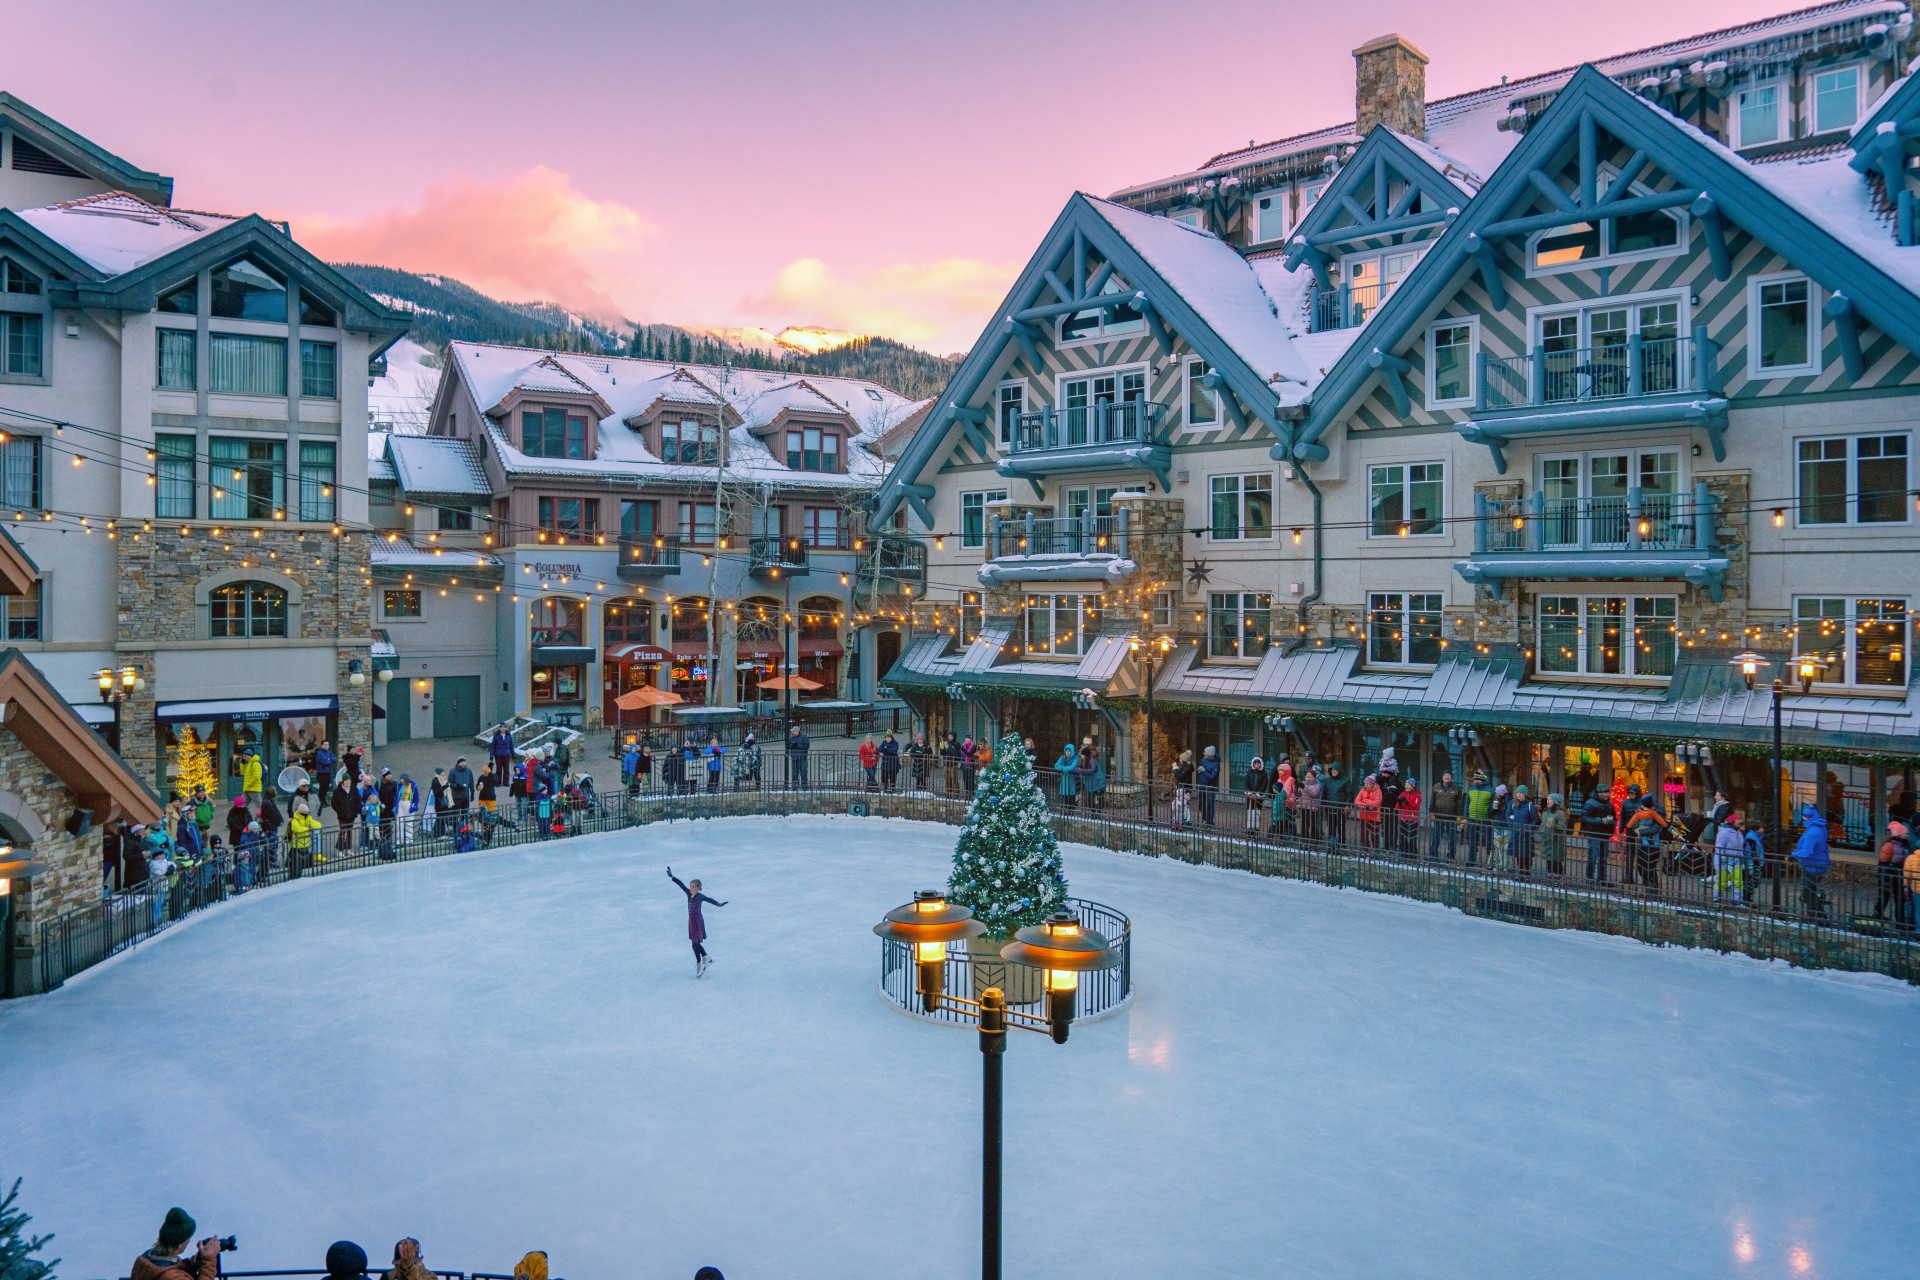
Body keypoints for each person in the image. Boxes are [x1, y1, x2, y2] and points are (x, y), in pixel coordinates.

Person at [130, 1207, 222, 1280]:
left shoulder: (144, 1260)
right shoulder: (172, 1277)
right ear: (179, 1245)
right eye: (188, 1239)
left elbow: (171, 1268)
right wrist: (209, 1261)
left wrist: (197, 1259)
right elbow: (171, 1274)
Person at [668, 865, 728, 976]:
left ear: (698, 888)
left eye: (693, 887)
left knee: (694, 944)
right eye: (690, 886)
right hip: (691, 922)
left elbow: (709, 899)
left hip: (698, 922)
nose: (690, 888)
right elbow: (681, 885)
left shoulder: (700, 896)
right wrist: (672, 876)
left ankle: (700, 962)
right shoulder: (688, 894)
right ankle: (705, 957)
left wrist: (719, 904)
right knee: (695, 943)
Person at [1793, 803, 1830, 917]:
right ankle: (1814, 916)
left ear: (1808, 817)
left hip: (1811, 865)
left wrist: (1794, 854)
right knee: (1811, 891)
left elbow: (1807, 852)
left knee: (1808, 893)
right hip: (1818, 863)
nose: (1803, 819)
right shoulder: (1820, 828)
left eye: (1804, 817)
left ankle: (1817, 917)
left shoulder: (1812, 832)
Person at [1626, 794, 1669, 890]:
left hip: (1653, 844)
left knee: (1650, 866)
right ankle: (1647, 884)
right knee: (1641, 866)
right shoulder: (1641, 812)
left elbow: (1656, 828)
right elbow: (1632, 824)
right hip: (1642, 843)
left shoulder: (1657, 813)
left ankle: (1653, 888)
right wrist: (1636, 827)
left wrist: (1640, 832)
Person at [1876, 820, 1912, 926]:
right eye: (1905, 833)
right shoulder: (1889, 846)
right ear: (1898, 834)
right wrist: (1885, 878)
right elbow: (1883, 864)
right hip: (1889, 876)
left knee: (1900, 899)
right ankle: (1877, 915)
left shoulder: (1905, 845)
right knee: (1884, 898)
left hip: (1899, 876)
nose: (1906, 835)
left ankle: (1900, 922)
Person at [1714, 810, 1748, 904]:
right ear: (1732, 822)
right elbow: (1719, 848)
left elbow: (1740, 847)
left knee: (1738, 883)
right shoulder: (1724, 832)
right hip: (1723, 862)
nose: (1740, 821)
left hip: (1736, 861)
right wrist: (1724, 861)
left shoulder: (1738, 832)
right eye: (1738, 819)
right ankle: (1716, 900)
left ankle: (1736, 901)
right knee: (1722, 882)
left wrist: (1741, 860)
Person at [1580, 787, 1614, 882]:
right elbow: (1585, 818)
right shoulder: (1590, 803)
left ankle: (1602, 879)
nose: (1608, 794)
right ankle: (1590, 878)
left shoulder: (1609, 803)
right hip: (1594, 834)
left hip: (1605, 834)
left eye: (1608, 792)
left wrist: (1612, 822)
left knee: (1603, 858)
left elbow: (1614, 816)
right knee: (1593, 857)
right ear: (1600, 793)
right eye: (1606, 792)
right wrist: (1601, 820)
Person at [1427, 771, 1461, 860]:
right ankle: (1433, 854)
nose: (1447, 777)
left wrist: (1459, 816)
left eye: (1448, 776)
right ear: (1442, 777)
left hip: (1452, 817)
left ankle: (1451, 856)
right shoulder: (1436, 786)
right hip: (1439, 816)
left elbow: (1460, 804)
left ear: (1451, 778)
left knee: (1453, 838)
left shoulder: (1456, 788)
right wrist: (1431, 812)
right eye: (1445, 775)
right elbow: (1432, 801)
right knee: (1436, 836)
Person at [1463, 771, 1495, 864]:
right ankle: (1471, 860)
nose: (1476, 781)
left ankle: (1490, 861)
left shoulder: (1490, 790)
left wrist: (1490, 811)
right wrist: (1465, 817)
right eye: (1475, 779)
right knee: (1472, 839)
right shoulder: (1471, 789)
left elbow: (1493, 804)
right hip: (1472, 818)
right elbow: (1467, 803)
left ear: (1482, 779)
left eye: (1478, 779)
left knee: (1489, 840)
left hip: (1485, 819)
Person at [1509, 784, 1540, 873]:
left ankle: (1527, 872)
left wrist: (1529, 828)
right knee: (1518, 853)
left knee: (1527, 854)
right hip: (1517, 833)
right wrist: (1511, 825)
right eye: (1518, 792)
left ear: (1525, 794)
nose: (1519, 794)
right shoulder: (1512, 803)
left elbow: (1535, 819)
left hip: (1526, 834)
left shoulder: (1530, 805)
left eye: (1521, 793)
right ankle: (1521, 871)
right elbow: (1508, 814)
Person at [289, 802, 322, 876]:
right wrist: (307, 827)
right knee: (296, 862)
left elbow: (318, 824)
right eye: (305, 812)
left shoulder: (308, 818)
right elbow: (297, 829)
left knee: (302, 862)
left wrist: (309, 825)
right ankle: (294, 875)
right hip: (296, 845)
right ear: (301, 812)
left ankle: (299, 874)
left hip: (305, 844)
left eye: (307, 812)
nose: (306, 814)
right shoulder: (295, 820)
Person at [331, 777, 361, 856]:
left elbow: (358, 800)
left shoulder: (354, 789)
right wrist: (339, 810)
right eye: (346, 781)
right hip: (342, 815)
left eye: (349, 781)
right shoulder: (337, 791)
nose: (348, 782)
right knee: (342, 831)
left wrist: (355, 810)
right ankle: (339, 850)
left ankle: (349, 849)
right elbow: (333, 803)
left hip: (351, 815)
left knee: (349, 832)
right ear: (343, 782)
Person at [1396, 776, 1424, 858]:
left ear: (1413, 786)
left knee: (1412, 837)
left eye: (1408, 784)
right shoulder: (1403, 793)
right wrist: (1400, 803)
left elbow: (1415, 807)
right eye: (1406, 784)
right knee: (1402, 837)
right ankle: (1404, 853)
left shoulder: (1417, 795)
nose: (1406, 786)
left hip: (1413, 819)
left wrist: (1407, 802)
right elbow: (1397, 807)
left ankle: (1413, 854)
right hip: (1403, 818)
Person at [1540, 792, 1567, 877]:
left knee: (1556, 859)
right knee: (1548, 859)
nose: (1547, 801)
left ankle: (1557, 877)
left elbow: (1562, 828)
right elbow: (1543, 823)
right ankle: (1550, 875)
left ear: (1555, 801)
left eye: (1550, 799)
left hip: (1556, 840)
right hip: (1546, 839)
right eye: (1547, 799)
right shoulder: (1545, 811)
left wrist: (1554, 825)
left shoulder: (1560, 813)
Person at [1354, 774, 1383, 848]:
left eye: (1367, 783)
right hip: (1364, 815)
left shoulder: (1378, 791)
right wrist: (1364, 806)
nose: (1366, 785)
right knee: (1363, 834)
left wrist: (1365, 800)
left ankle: (1376, 851)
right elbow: (1357, 800)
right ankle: (1365, 849)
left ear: (1372, 784)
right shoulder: (1363, 789)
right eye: (1365, 783)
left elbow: (1377, 803)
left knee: (1374, 835)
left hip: (1374, 817)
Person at [1195, 745, 1221, 827]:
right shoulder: (1204, 760)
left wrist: (1204, 771)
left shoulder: (1216, 764)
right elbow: (1201, 766)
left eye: (1205, 752)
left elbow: (1212, 777)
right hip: (1201, 785)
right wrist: (1200, 770)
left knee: (1209, 805)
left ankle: (1209, 823)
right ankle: (1206, 818)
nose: (1204, 753)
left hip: (1210, 787)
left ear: (1209, 754)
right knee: (1201, 805)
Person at [1243, 756, 1270, 833]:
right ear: (1253, 764)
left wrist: (1257, 795)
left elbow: (1264, 785)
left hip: (1259, 797)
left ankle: (1256, 830)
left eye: (1258, 763)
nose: (1257, 765)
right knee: (1250, 812)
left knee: (1257, 813)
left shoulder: (1264, 774)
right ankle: (1249, 830)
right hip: (1250, 796)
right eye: (1255, 763)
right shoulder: (1249, 772)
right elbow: (1246, 783)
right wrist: (1249, 793)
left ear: (1261, 764)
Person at [1170, 749, 1195, 830]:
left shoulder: (1187, 768)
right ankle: (1182, 821)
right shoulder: (1185, 767)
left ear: (1184, 760)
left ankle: (1185, 821)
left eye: (1181, 759)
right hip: (1181, 788)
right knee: (1181, 805)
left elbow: (1179, 776)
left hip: (1184, 790)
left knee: (1182, 806)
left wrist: (1175, 768)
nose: (1180, 760)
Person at [377, 769, 399, 854]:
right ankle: (382, 842)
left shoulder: (393, 784)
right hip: (381, 810)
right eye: (387, 775)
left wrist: (395, 806)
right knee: (381, 826)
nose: (389, 776)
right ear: (384, 776)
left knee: (389, 826)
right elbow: (375, 794)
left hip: (390, 809)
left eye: (390, 774)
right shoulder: (379, 784)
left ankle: (388, 842)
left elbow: (396, 796)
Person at [448, 757, 475, 824]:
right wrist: (456, 785)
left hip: (465, 796)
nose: (463, 763)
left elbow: (471, 782)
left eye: (464, 762)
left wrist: (472, 793)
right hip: (456, 797)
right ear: (458, 763)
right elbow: (449, 783)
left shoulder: (469, 771)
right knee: (455, 815)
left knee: (465, 815)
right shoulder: (453, 771)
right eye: (461, 762)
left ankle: (463, 830)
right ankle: (456, 831)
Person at [1054, 743, 1080, 808]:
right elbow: (1056, 765)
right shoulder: (1062, 757)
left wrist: (1062, 768)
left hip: (1072, 779)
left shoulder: (1076, 758)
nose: (1067, 752)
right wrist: (1064, 768)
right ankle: (1066, 809)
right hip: (1064, 778)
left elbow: (1072, 767)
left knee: (1071, 794)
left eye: (1069, 751)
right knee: (1064, 794)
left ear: (1072, 751)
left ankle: (1071, 810)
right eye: (1066, 751)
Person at [787, 724, 811, 789]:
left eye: (793, 731)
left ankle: (804, 786)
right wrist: (792, 746)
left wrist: (797, 746)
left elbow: (806, 746)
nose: (792, 732)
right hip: (794, 758)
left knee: (803, 772)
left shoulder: (804, 737)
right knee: (794, 773)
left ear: (797, 731)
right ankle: (795, 786)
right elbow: (787, 745)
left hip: (802, 757)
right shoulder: (791, 738)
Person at [940, 732, 962, 797]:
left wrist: (951, 750)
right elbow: (942, 753)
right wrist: (942, 748)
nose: (950, 737)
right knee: (947, 779)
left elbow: (957, 754)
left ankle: (955, 794)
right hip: (946, 763)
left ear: (954, 737)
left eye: (951, 736)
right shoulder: (946, 743)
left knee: (954, 779)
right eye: (949, 736)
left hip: (953, 764)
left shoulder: (956, 744)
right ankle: (948, 793)